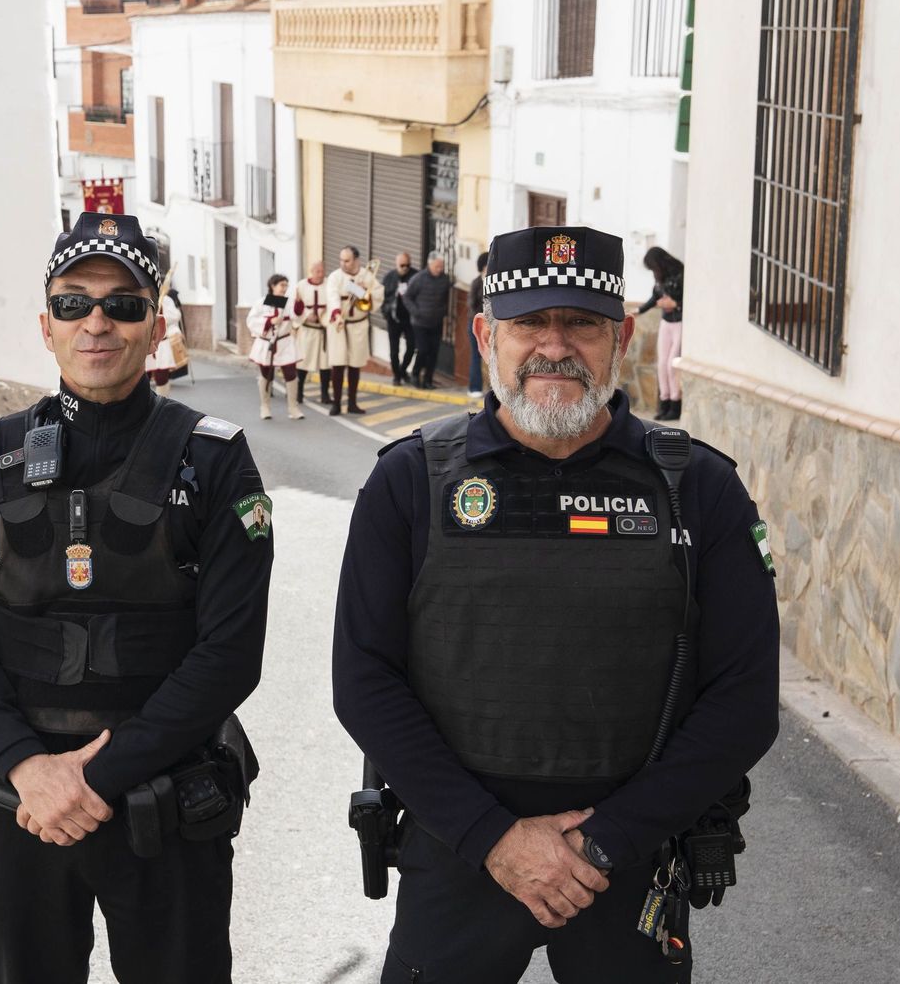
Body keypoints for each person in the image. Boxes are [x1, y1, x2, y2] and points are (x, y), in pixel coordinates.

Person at [334, 224, 779, 984]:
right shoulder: (410, 482)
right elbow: (365, 682)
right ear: (484, 334)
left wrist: (604, 843)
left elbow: (743, 701)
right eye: (530, 322)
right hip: (459, 851)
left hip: (631, 861)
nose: (555, 345)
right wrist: (496, 840)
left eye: (581, 323)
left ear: (623, 337)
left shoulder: (698, 490)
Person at [0, 210, 273, 984]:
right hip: (19, 804)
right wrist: (29, 769)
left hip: (164, 804)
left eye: (124, 304)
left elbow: (229, 657)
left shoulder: (215, 461)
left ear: (157, 329)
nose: (97, 323)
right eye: (73, 302)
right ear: (44, 326)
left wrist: (89, 777)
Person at [325, 246, 384, 415]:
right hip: (339, 324)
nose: (343, 263)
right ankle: (336, 403)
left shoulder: (366, 276)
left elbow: (378, 294)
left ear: (356, 260)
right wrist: (336, 314)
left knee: (355, 364)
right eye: (341, 260)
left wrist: (364, 291)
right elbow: (332, 295)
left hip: (358, 324)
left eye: (347, 260)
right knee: (337, 364)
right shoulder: (335, 277)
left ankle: (352, 403)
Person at [247, 272, 304, 420]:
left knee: (291, 375)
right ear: (273, 286)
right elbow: (251, 321)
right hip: (267, 344)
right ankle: (265, 407)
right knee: (266, 375)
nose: (284, 288)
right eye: (282, 285)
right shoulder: (261, 302)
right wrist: (269, 322)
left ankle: (293, 408)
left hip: (285, 343)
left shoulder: (289, 302)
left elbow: (298, 317)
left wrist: (299, 304)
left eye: (286, 285)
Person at [637, 247, 685, 421]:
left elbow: (687, 298)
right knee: (662, 364)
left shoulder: (680, 273)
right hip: (666, 322)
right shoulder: (660, 278)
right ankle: (664, 403)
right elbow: (654, 298)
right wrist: (639, 310)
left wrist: (676, 303)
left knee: (673, 365)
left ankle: (675, 404)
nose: (653, 271)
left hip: (680, 322)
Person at [400, 251, 452, 390]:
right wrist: (416, 312)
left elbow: (446, 297)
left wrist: (444, 312)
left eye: (441, 266)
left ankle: (428, 379)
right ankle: (415, 375)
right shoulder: (418, 279)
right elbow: (407, 297)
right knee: (423, 350)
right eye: (437, 266)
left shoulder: (445, 279)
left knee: (434, 352)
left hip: (436, 322)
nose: (439, 269)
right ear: (430, 264)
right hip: (419, 323)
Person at [292, 260, 333, 405]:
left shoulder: (330, 284)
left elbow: (337, 300)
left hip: (323, 332)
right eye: (317, 271)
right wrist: (307, 315)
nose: (320, 274)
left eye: (322, 271)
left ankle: (324, 394)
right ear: (311, 271)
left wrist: (324, 317)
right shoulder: (301, 285)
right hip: (307, 331)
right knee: (303, 363)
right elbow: (296, 307)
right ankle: (299, 392)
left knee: (325, 365)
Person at [382, 252, 416, 385]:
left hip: (410, 319)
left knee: (412, 347)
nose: (405, 268)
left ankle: (403, 370)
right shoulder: (389, 278)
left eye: (408, 265)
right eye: (402, 265)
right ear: (396, 264)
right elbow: (383, 298)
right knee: (394, 351)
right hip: (393, 319)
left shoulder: (414, 276)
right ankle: (397, 375)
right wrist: (386, 313)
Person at [147, 282, 186, 394]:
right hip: (146, 343)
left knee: (162, 374)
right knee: (144, 375)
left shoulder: (166, 299)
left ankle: (161, 401)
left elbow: (175, 316)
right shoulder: (145, 296)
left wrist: (162, 312)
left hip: (162, 342)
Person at [467, 251, 488, 402]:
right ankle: (474, 387)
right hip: (477, 323)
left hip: (492, 325)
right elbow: (470, 304)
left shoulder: (495, 282)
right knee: (476, 355)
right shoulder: (476, 283)